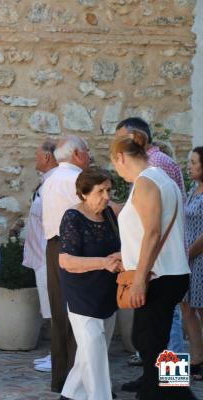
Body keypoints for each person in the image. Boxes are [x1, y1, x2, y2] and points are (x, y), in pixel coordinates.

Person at [111, 130, 195, 400]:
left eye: (114, 163)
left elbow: (153, 233)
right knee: (153, 339)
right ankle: (158, 387)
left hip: (158, 274)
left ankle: (167, 393)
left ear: (121, 157)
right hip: (167, 271)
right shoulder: (161, 179)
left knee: (151, 341)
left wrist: (138, 279)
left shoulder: (147, 181)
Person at [58, 168, 122, 400]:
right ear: (84, 193)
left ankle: (70, 395)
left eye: (108, 190)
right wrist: (103, 262)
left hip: (107, 292)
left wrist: (120, 256)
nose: (107, 196)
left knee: (92, 352)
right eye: (101, 191)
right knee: (94, 353)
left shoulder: (109, 214)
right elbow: (65, 260)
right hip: (82, 295)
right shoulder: (72, 217)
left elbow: (118, 245)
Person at [40, 135, 90, 393]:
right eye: (88, 151)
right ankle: (78, 382)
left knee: (61, 314)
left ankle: (61, 379)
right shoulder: (75, 179)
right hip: (74, 247)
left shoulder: (50, 180)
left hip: (53, 246)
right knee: (79, 315)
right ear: (78, 154)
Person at [23, 138, 58, 372]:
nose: (35, 158)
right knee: (51, 309)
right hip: (41, 255)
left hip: (49, 255)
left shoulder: (55, 183)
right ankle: (56, 354)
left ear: (47, 157)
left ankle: (59, 358)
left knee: (56, 310)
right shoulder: (46, 182)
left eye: (37, 154)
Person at [183, 146, 203, 380]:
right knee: (186, 306)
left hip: (198, 257)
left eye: (194, 162)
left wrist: (190, 252)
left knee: (201, 308)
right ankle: (197, 359)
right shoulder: (191, 190)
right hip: (188, 257)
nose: (189, 166)